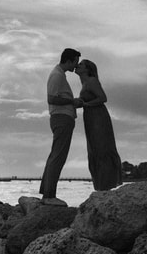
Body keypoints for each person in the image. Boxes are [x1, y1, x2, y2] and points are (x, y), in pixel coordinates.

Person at [39, 48, 83, 206]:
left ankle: (47, 194)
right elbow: (52, 99)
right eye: (75, 62)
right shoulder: (57, 75)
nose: (76, 66)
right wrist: (72, 101)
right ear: (69, 60)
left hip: (63, 118)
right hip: (61, 119)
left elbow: (59, 98)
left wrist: (73, 103)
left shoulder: (60, 75)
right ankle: (50, 196)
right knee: (58, 157)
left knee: (55, 156)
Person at [75, 59, 122, 191]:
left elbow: (103, 98)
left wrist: (86, 104)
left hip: (98, 118)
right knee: (94, 150)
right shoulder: (84, 83)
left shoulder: (92, 81)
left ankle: (105, 186)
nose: (77, 66)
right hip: (90, 117)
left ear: (88, 69)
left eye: (81, 65)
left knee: (102, 149)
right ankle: (100, 186)